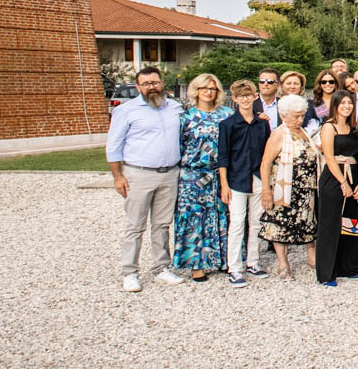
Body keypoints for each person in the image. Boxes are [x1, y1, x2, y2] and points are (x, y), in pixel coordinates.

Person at [106, 65, 185, 292]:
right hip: (138, 174)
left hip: (170, 173)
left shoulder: (175, 108)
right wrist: (117, 176)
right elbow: (113, 146)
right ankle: (129, 272)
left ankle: (161, 268)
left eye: (155, 82)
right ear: (138, 86)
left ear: (162, 84)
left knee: (162, 225)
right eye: (146, 84)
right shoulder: (126, 111)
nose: (152, 87)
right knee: (135, 225)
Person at [172, 74, 230, 281]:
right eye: (204, 88)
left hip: (220, 173)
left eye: (213, 89)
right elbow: (178, 147)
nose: (208, 92)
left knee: (220, 215)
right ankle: (196, 265)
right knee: (195, 218)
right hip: (193, 175)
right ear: (195, 90)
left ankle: (223, 259)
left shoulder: (226, 114)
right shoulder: (186, 118)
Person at [216, 79, 271, 285]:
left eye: (249, 96)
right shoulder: (228, 125)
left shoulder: (262, 122)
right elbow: (223, 156)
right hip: (236, 180)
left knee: (256, 222)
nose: (246, 99)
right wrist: (224, 184)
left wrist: (267, 184)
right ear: (235, 99)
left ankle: (253, 261)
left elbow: (267, 154)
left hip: (257, 178)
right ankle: (234, 267)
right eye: (241, 97)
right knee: (237, 223)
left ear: (255, 97)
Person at [258, 95, 318, 278]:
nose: (299, 120)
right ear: (284, 116)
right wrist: (266, 191)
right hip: (284, 187)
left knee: (308, 222)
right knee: (280, 224)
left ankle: (312, 258)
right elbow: (266, 163)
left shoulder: (305, 132)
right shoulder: (279, 133)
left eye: (301, 116)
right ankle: (283, 264)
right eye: (295, 116)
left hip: (306, 187)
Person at [314, 91, 358, 286]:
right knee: (331, 224)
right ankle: (327, 272)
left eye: (349, 103)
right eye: (342, 103)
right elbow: (328, 156)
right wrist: (343, 183)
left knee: (352, 224)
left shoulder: (353, 128)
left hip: (354, 175)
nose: (347, 106)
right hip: (335, 177)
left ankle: (349, 267)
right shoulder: (329, 127)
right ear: (335, 105)